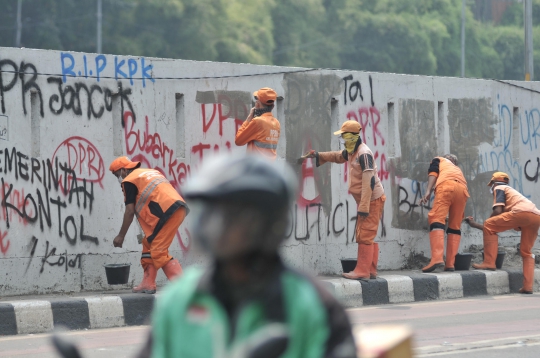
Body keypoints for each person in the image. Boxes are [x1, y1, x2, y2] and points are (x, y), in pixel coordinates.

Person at [143, 155, 356, 358]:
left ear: (266, 224)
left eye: (231, 215)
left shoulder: (311, 305)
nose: (216, 225)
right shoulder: (180, 299)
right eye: (212, 213)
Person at [304, 120, 386, 281]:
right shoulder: (351, 151)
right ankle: (371, 270)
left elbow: (369, 180)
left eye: (344, 137)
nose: (342, 141)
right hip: (367, 200)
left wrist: (364, 206)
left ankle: (363, 271)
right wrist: (319, 155)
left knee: (364, 235)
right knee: (367, 234)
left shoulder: (364, 153)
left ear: (351, 137)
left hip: (371, 199)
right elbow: (337, 156)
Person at [109, 156, 188, 294]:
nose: (118, 179)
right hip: (174, 209)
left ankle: (185, 290)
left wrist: (121, 236)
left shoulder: (129, 180)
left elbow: (129, 211)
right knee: (148, 243)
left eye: (117, 175)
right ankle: (148, 283)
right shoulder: (148, 173)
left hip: (167, 213)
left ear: (123, 170)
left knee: (158, 252)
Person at [465, 172, 540, 294]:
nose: (491, 188)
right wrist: (476, 225)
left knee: (490, 224)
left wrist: (489, 221)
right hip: (536, 216)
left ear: (493, 183)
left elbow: (497, 211)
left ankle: (489, 262)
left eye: (491, 185)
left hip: (521, 214)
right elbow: (494, 227)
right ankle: (528, 287)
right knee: (526, 252)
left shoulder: (499, 187)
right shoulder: (514, 196)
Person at [418, 154, 469, 273]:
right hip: (463, 191)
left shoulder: (439, 159)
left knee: (436, 219)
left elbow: (433, 173)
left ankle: (437, 259)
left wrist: (428, 191)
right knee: (455, 227)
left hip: (447, 186)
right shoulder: (457, 169)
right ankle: (450, 263)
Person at [235, 87, 280, 160]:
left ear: (258, 104)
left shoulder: (257, 122)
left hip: (257, 168)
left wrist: (249, 119)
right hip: (270, 167)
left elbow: (238, 141)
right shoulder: (276, 123)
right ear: (273, 107)